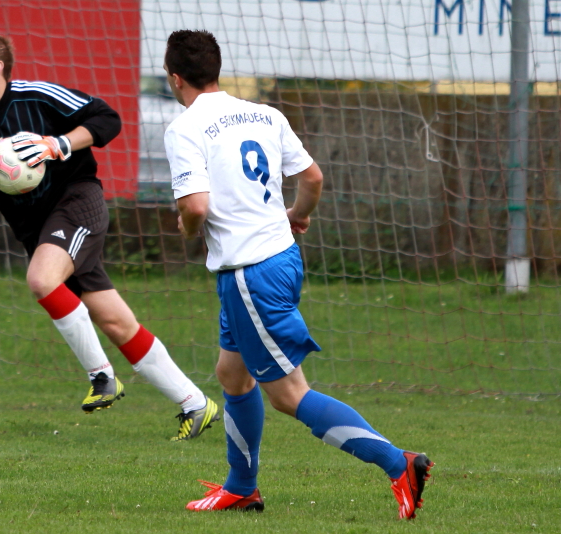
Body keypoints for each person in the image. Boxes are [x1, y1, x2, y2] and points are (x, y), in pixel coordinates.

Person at [163, 30, 433, 517]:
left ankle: (400, 463)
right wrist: (296, 214)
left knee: (289, 395)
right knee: (232, 374)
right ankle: (241, 487)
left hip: (249, 273)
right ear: (216, 70)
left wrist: (186, 227)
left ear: (175, 78)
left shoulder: (185, 128)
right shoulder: (264, 114)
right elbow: (312, 178)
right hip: (281, 258)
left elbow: (196, 208)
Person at [0, 28, 219, 441]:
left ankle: (102, 377)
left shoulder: (37, 96)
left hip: (78, 203)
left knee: (42, 280)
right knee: (115, 322)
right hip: (37, 231)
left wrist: (57, 144)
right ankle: (195, 404)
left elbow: (107, 119)